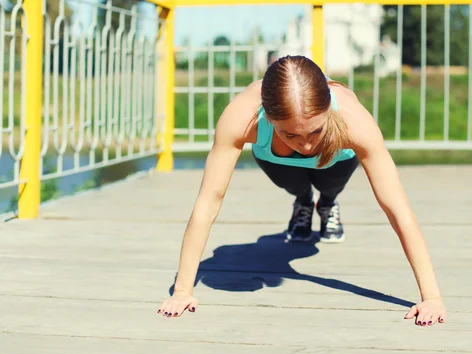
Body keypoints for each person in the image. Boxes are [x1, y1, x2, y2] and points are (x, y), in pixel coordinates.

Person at [157, 55, 447, 326]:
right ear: (269, 119)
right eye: (291, 133)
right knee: (295, 184)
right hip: (277, 160)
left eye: (315, 131)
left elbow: (398, 209)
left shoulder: (353, 118)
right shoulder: (242, 115)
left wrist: (431, 297)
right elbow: (209, 202)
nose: (306, 145)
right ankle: (303, 201)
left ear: (328, 111)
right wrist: (182, 290)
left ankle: (328, 202)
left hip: (335, 161)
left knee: (328, 184)